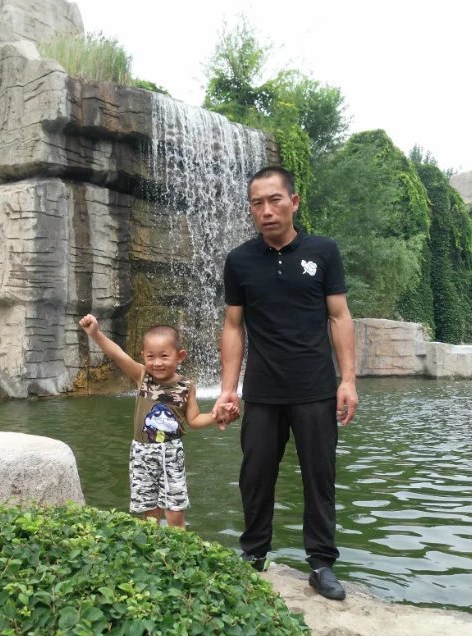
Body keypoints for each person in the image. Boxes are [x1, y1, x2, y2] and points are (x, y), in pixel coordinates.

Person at [211, 166, 358, 600]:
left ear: (293, 202)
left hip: (315, 387)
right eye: (257, 203)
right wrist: (228, 388)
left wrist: (348, 380)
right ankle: (254, 555)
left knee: (319, 476)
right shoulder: (239, 260)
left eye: (275, 200)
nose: (267, 210)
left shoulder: (323, 251)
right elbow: (233, 326)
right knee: (255, 475)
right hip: (262, 390)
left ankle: (321, 563)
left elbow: (339, 317)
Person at [79, 315, 238, 529]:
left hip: (171, 453)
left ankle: (179, 544)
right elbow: (117, 354)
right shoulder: (142, 376)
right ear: (143, 356)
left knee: (174, 511)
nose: (157, 363)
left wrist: (215, 415)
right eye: (151, 356)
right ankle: (153, 545)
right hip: (141, 452)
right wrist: (96, 333)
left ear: (180, 356)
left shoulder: (186, 386)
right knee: (150, 510)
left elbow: (193, 420)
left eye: (164, 356)